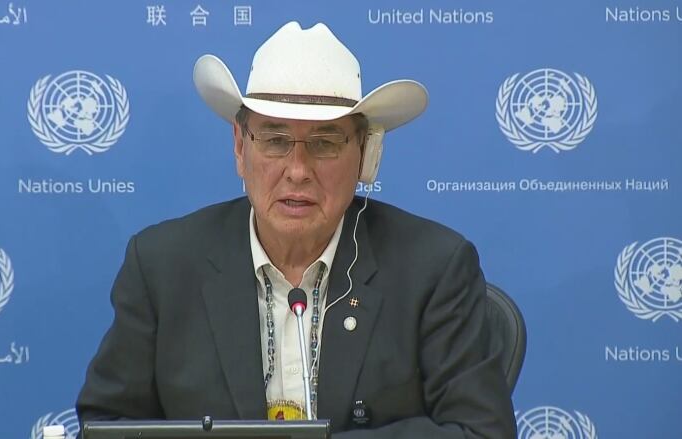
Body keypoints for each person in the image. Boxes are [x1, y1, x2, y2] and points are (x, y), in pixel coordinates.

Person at [76, 21, 516, 438]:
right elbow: (107, 425)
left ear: (364, 154)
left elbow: (480, 430)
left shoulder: (434, 267)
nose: (298, 171)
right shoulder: (162, 265)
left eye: (325, 143)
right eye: (275, 140)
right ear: (239, 147)